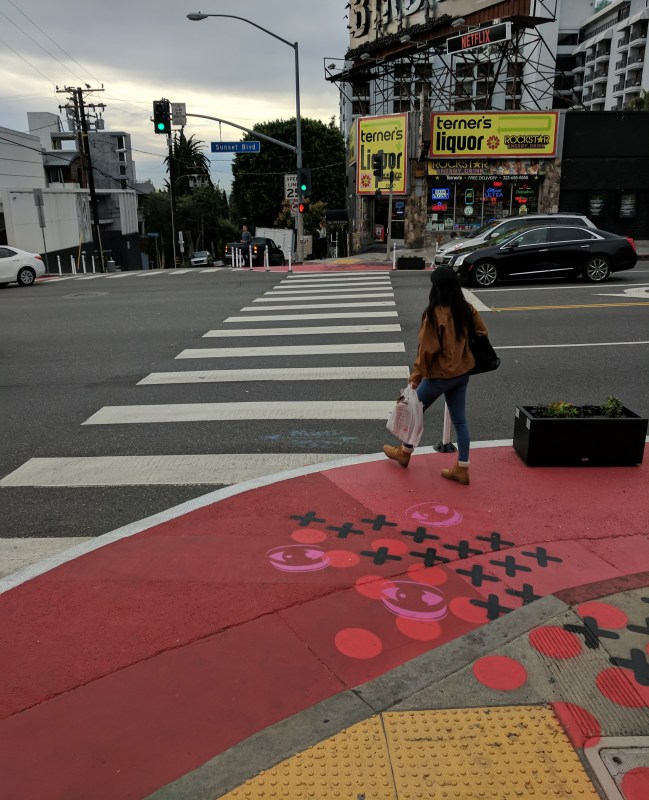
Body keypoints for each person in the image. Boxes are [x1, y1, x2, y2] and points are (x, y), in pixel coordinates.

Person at [383, 266, 489, 485]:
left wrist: (416, 376)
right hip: (461, 374)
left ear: (437, 287)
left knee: (413, 411)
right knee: (460, 422)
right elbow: (482, 333)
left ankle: (404, 453)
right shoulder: (467, 309)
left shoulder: (434, 314)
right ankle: (462, 467)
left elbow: (426, 351)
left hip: (439, 376)